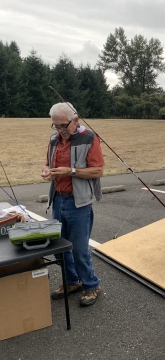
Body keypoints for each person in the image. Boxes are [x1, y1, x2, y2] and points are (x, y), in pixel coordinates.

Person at [41, 102, 104, 307]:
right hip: (58, 199)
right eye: (55, 126)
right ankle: (72, 281)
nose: (59, 130)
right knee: (60, 246)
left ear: (75, 121)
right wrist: (46, 172)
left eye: (62, 126)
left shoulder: (89, 138)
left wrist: (71, 171)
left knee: (78, 249)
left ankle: (91, 285)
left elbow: (98, 171)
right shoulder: (53, 140)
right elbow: (48, 164)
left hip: (79, 203)